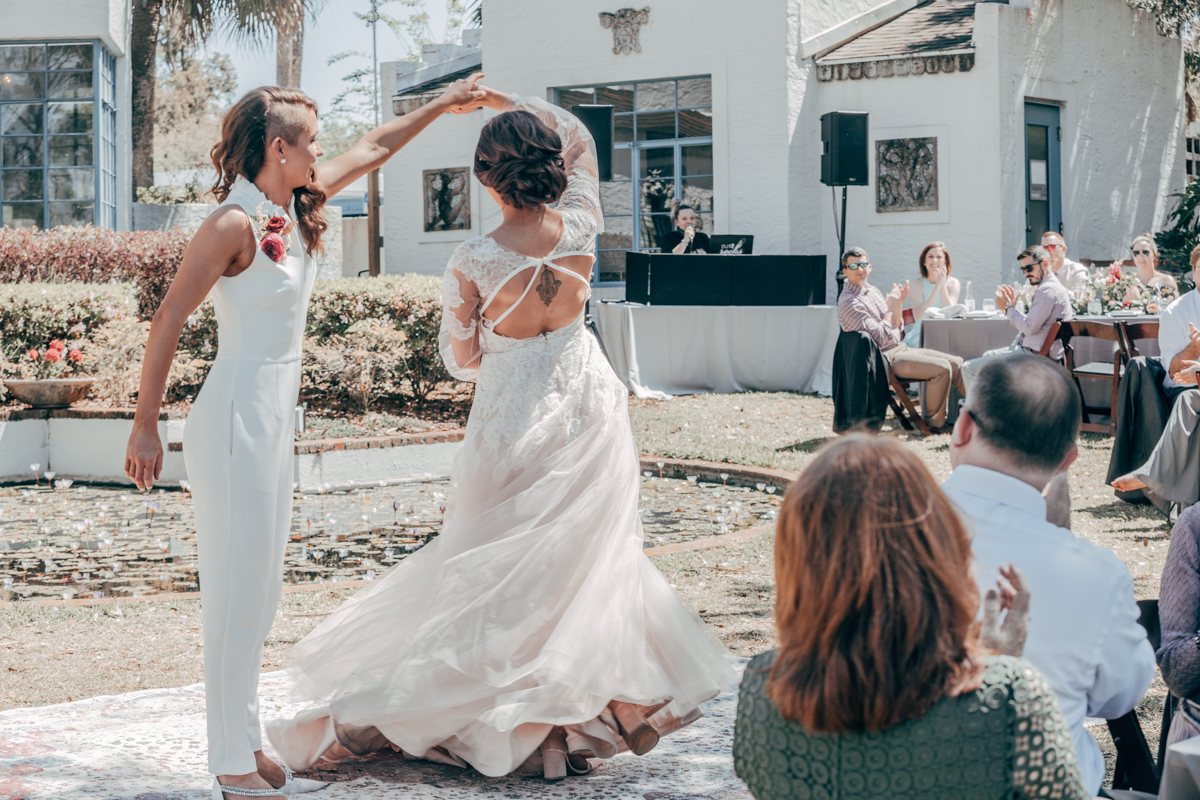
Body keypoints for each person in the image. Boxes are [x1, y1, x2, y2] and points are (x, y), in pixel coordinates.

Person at [264, 86, 736, 781]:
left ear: (487, 178)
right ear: (552, 169)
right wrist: (524, 102)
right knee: (578, 573)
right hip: (588, 410)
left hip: (512, 417)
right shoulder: (581, 225)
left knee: (489, 577)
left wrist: (501, 340)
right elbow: (582, 141)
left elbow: (463, 363)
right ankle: (548, 735)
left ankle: (501, 726)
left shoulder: (473, 258)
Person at [122, 77, 488, 800]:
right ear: (279, 149)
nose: (324, 151)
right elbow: (168, 319)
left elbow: (376, 146)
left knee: (258, 595)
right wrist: (144, 425)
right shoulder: (231, 224)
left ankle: (244, 737)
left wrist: (445, 105)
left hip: (272, 417)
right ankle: (228, 760)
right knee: (233, 595)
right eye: (312, 141)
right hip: (233, 418)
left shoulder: (297, 205)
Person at [734, 434, 1087, 800]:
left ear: (796, 562)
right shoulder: (1012, 697)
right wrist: (997, 673)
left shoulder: (763, 687)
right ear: (941, 546)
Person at [944, 353, 1156, 795]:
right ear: (1068, 459)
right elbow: (1121, 695)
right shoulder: (1095, 574)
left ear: (963, 427)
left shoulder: (881, 532)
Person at [837, 246, 965, 431]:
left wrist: (898, 306)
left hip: (898, 347)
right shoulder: (849, 300)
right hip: (882, 358)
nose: (860, 269)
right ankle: (935, 424)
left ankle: (982, 413)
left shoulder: (872, 290)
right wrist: (890, 310)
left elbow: (896, 329)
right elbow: (880, 338)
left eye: (863, 264)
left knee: (957, 362)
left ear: (870, 267)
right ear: (845, 271)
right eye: (854, 265)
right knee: (942, 368)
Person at [961, 245, 1072, 391]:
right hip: (1033, 352)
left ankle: (980, 412)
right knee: (987, 356)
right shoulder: (1049, 288)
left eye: (1029, 268)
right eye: (1023, 269)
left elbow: (1029, 327)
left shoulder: (1048, 290)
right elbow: (1033, 323)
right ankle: (998, 408)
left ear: (1045, 263)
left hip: (1033, 357)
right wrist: (1013, 309)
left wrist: (1007, 309)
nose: (1026, 273)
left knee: (968, 368)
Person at [902, 241, 960, 347]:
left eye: (939, 257)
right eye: (930, 256)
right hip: (922, 334)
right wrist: (937, 287)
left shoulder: (953, 283)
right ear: (924, 261)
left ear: (945, 261)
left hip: (946, 333)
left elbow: (950, 314)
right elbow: (919, 315)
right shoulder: (916, 283)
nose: (934, 260)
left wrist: (942, 286)